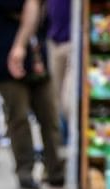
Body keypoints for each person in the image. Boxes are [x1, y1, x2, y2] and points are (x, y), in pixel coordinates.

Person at [0, 0, 65, 189]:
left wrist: (34, 13)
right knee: (18, 117)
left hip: (37, 57)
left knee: (50, 116)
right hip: (4, 55)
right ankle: (25, 171)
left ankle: (55, 170)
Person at [46, 0, 71, 141]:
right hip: (54, 41)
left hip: (74, 43)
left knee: (69, 101)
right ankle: (62, 139)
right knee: (55, 99)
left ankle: (70, 138)